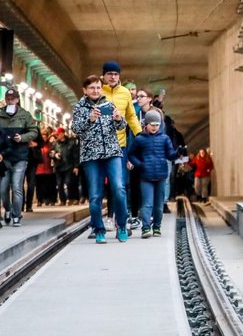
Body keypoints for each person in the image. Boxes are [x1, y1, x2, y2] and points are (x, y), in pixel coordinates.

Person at [71, 75, 129, 244]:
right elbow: (75, 129)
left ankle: (122, 225)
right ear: (85, 90)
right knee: (95, 195)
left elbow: (121, 126)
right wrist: (90, 119)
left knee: (119, 188)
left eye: (98, 87)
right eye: (92, 88)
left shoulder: (108, 104)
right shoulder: (80, 108)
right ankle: (98, 229)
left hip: (112, 152)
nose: (96, 91)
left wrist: (119, 119)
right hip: (91, 156)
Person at [101, 62, 142, 231]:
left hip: (119, 145)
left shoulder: (125, 93)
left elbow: (132, 117)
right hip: (100, 146)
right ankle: (105, 219)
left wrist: (140, 136)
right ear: (103, 75)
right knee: (101, 186)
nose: (112, 76)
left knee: (119, 184)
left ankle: (119, 220)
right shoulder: (98, 91)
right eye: (109, 73)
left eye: (116, 74)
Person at [127, 109, 178, 237]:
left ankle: (156, 227)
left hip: (161, 175)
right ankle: (145, 227)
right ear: (146, 124)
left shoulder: (165, 138)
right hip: (146, 176)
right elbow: (131, 154)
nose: (155, 127)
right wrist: (139, 164)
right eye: (152, 124)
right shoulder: (139, 139)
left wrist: (178, 153)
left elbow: (170, 155)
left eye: (157, 124)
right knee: (147, 203)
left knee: (159, 205)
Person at [0, 89, 39, 227]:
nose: (10, 101)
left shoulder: (24, 115)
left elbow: (34, 131)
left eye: (12, 98)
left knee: (17, 186)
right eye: (8, 98)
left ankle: (16, 215)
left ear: (17, 100)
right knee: (3, 188)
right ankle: (7, 209)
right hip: (4, 157)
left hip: (20, 156)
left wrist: (22, 138)